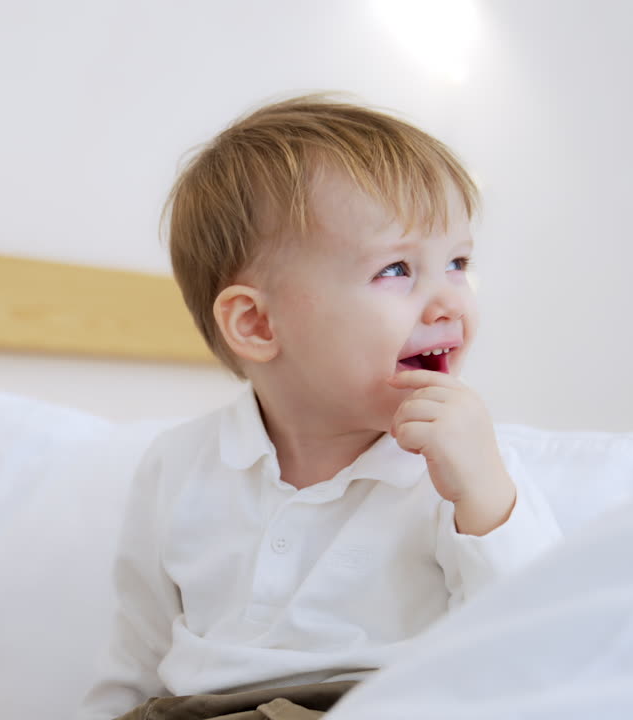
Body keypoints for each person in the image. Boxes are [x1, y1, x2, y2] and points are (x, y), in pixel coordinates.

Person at [80, 94, 564, 720]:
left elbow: (543, 642)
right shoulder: (177, 465)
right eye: (396, 269)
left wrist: (485, 497)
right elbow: (138, 658)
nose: (449, 301)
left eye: (457, 263)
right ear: (257, 323)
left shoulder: (464, 470)